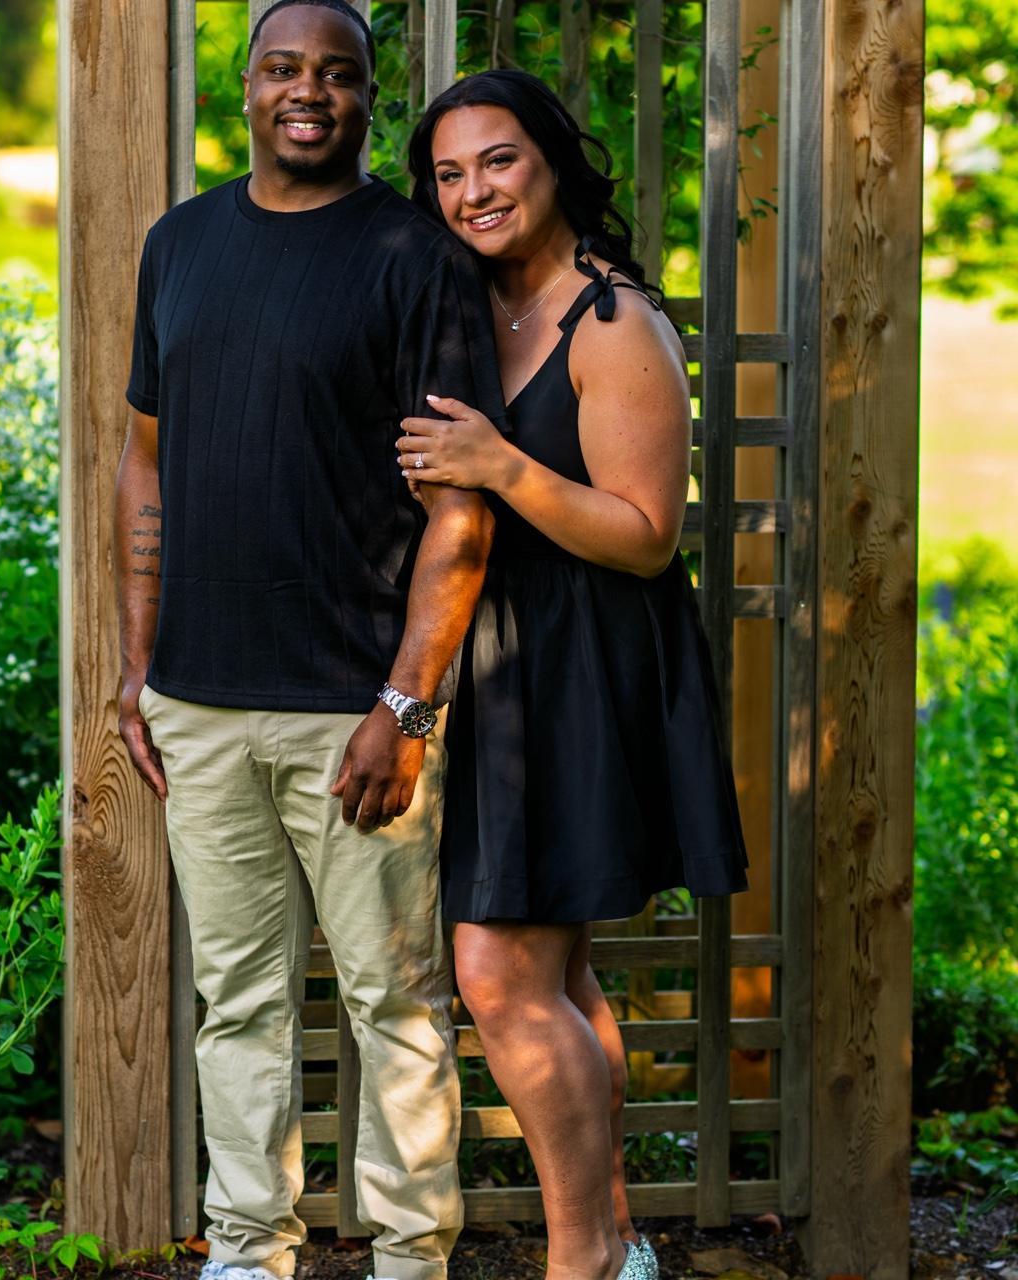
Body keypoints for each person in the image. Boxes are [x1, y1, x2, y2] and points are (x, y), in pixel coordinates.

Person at [114, 4, 507, 1278]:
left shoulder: (413, 255)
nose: (307, 92)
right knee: (236, 1000)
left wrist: (405, 705)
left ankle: (409, 1257)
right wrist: (137, 665)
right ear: (244, 86)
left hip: (354, 708)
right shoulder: (178, 245)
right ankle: (246, 1247)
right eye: (283, 68)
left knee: (394, 1001)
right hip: (198, 701)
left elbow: (460, 503)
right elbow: (143, 457)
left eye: (337, 75)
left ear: (366, 101)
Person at [398, 70, 750, 1280]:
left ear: (551, 160)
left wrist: (498, 464)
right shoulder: (468, 302)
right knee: (553, 969)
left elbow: (646, 533)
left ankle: (581, 1259)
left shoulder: (611, 323)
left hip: (584, 667)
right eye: (447, 173)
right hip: (500, 667)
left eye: (496, 160)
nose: (473, 191)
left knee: (497, 970)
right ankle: (619, 1245)